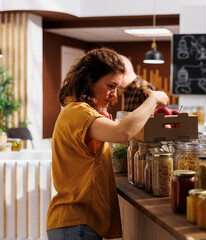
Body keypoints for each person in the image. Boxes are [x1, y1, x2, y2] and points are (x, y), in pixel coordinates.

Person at [46, 47, 169, 240]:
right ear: (90, 80)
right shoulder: (79, 113)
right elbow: (123, 133)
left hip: (78, 224)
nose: (114, 94)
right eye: (111, 86)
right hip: (76, 223)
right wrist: (153, 99)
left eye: (117, 88)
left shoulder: (80, 112)